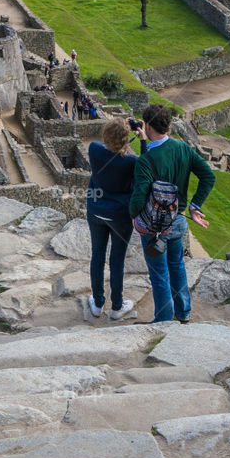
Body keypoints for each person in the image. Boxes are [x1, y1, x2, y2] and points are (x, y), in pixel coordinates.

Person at [128, 104, 215, 325]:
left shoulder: (144, 162)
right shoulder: (183, 149)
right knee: (177, 266)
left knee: (159, 274)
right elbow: (208, 176)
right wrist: (195, 206)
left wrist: (132, 216)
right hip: (178, 220)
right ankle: (184, 312)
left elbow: (139, 198)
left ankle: (164, 320)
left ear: (147, 125)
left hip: (154, 226)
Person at [85, 118, 143, 322]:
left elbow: (103, 145)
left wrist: (119, 129)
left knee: (97, 256)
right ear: (126, 140)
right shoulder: (131, 162)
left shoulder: (94, 149)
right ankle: (117, 306)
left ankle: (97, 304)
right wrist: (142, 138)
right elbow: (146, 165)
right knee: (116, 260)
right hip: (119, 215)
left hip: (96, 211)